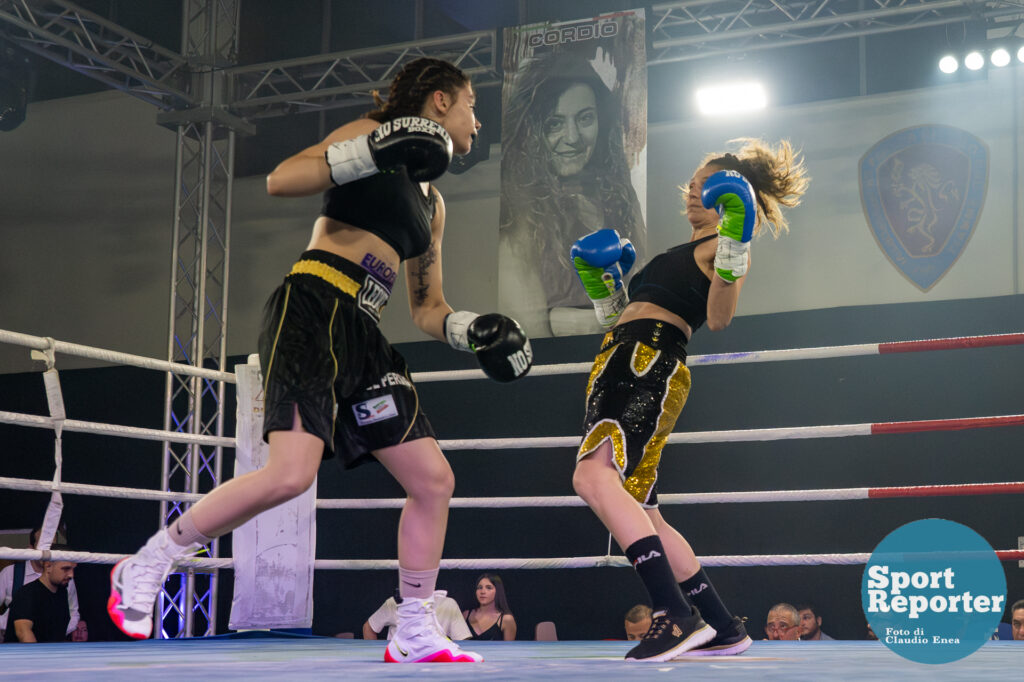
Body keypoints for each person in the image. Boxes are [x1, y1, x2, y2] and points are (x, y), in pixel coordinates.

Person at [107, 57, 532, 664]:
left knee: (434, 480)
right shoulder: (368, 134)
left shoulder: (434, 204)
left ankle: (413, 628)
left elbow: (427, 306)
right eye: (472, 106)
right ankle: (149, 562)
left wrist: (474, 332)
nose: (477, 123)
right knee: (290, 474)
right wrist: (374, 149)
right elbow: (281, 180)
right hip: (311, 305)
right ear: (439, 101)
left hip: (364, 333)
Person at [570, 138, 809, 661]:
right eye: (693, 184)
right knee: (646, 511)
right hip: (625, 358)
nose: (694, 193)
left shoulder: (721, 245)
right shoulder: (681, 251)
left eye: (707, 185)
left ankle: (673, 612)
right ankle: (723, 626)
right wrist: (605, 285)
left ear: (732, 197)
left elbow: (719, 317)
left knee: (591, 477)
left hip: (644, 364)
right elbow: (623, 320)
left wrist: (737, 234)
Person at [499, 50, 646, 337]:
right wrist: (609, 319)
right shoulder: (519, 211)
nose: (572, 137)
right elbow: (529, 327)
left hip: (622, 358)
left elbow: (642, 297)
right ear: (532, 131)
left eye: (585, 118)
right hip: (561, 371)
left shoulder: (620, 197)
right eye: (555, 123)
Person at [0, 527, 81, 642]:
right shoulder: (26, 593)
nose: (71, 575)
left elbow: (71, 616)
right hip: (28, 657)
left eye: (73, 569)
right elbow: (23, 632)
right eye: (66, 569)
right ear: (48, 566)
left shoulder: (62, 590)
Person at [363, 590, 470, 641]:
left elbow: (463, 640)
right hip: (400, 663)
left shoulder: (448, 604)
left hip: (434, 664)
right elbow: (369, 628)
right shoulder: (394, 603)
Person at [462, 573, 517, 641]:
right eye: (479, 588)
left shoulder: (506, 619)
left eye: (489, 588)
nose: (482, 592)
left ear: (498, 591)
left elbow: (510, 649)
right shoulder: (466, 615)